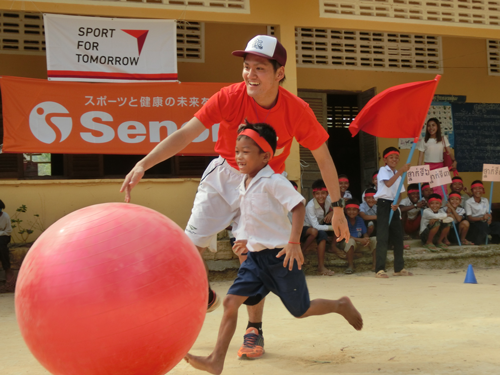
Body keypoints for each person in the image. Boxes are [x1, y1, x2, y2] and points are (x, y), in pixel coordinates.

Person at [120, 35, 349, 358]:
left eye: (259, 68)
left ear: (279, 73)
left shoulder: (296, 111)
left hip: (264, 183)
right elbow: (187, 132)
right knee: (189, 249)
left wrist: (337, 208)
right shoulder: (230, 97)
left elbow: (324, 158)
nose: (250, 75)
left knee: (252, 258)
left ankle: (254, 331)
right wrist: (144, 163)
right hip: (224, 175)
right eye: (246, 67)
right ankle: (204, 295)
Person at [184, 122, 362, 374]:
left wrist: (293, 243)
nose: (239, 157)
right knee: (231, 302)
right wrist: (244, 240)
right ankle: (216, 360)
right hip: (256, 260)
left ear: (266, 156)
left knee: (301, 311)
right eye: (236, 151)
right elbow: (250, 216)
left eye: (246, 152)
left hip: (281, 258)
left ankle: (339, 305)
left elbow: (298, 207)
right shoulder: (244, 183)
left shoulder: (274, 181)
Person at [374, 147, 413, 279]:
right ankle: (379, 269)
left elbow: (400, 193)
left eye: (396, 157)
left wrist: (397, 203)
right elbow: (389, 183)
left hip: (394, 205)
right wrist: (401, 171)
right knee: (383, 237)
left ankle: (399, 268)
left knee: (398, 237)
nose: (394, 160)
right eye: (391, 157)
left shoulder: (398, 173)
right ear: (385, 159)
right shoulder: (383, 170)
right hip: (384, 204)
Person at [417, 118, 457, 197]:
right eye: (428, 126)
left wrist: (454, 161)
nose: (431, 128)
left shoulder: (443, 139)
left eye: (433, 125)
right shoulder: (424, 141)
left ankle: (441, 207)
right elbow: (420, 157)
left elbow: (449, 152)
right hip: (428, 167)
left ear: (437, 127)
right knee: (429, 189)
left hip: (440, 167)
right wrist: (419, 170)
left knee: (441, 189)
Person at [304, 179, 336, 276]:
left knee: (339, 223)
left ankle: (333, 248)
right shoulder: (310, 206)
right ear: (313, 195)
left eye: (323, 193)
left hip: (320, 226)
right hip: (306, 227)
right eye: (317, 194)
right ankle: (303, 252)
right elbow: (315, 226)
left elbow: (341, 203)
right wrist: (332, 228)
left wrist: (333, 212)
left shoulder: (329, 199)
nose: (321, 196)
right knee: (320, 233)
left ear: (327, 193)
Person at [341, 199, 377, 274]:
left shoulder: (360, 220)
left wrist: (366, 239)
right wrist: (360, 240)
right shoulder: (343, 220)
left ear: (358, 211)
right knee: (350, 241)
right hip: (347, 244)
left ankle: (375, 265)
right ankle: (350, 266)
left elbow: (364, 233)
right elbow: (346, 236)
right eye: (349, 210)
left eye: (354, 210)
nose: (352, 212)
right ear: (345, 211)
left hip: (358, 244)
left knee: (375, 239)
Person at [289, 180, 318, 261]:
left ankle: (301, 252)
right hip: (287, 230)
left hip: (300, 228)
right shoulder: (280, 202)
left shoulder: (299, 201)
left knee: (314, 231)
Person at [465, 180, 500, 245]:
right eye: (475, 189)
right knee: (482, 226)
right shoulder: (468, 202)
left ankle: (494, 241)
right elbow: (469, 218)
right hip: (475, 223)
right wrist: (481, 218)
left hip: (485, 222)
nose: (478, 191)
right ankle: (482, 240)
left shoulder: (485, 200)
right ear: (472, 191)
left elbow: (489, 213)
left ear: (483, 190)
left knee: (497, 225)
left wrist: (490, 219)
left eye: (480, 188)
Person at [0, 200, 13, 293]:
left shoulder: (5, 217)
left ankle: (7, 269)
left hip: (3, 236)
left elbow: (8, 231)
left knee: (2, 248)